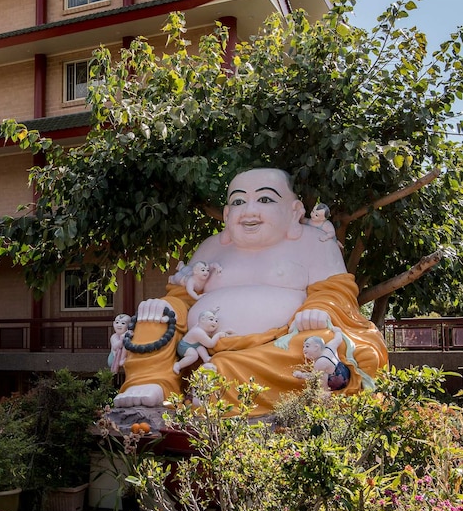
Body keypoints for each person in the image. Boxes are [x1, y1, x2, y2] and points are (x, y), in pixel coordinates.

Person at [113, 168, 388, 414]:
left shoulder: (315, 240)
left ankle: (224, 376)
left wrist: (319, 308)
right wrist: (165, 305)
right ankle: (153, 380)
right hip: (198, 348)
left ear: (295, 212)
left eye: (265, 200)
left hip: (278, 344)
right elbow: (183, 296)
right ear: (226, 214)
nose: (249, 211)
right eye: (238, 201)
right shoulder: (211, 246)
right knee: (157, 314)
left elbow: (336, 290)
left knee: (344, 350)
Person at [172, 308, 232, 375]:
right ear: (202, 320)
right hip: (184, 347)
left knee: (200, 347)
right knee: (194, 355)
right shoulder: (198, 332)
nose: (214, 322)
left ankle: (205, 358)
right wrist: (218, 335)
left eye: (216, 321)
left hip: (195, 345)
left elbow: (204, 316)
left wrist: (212, 312)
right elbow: (210, 344)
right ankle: (178, 365)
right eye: (211, 319)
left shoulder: (200, 325)